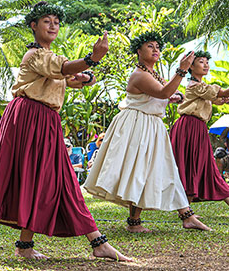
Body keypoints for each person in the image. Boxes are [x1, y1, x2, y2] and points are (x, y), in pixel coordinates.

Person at [0, 1, 131, 262]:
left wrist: (86, 74)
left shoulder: (49, 58)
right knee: (48, 178)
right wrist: (92, 59)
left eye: (56, 20)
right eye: (46, 20)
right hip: (30, 118)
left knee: (45, 178)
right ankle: (97, 242)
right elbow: (65, 69)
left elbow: (69, 76)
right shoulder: (35, 56)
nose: (53, 24)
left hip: (44, 120)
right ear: (33, 26)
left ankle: (26, 246)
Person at [84, 31, 210, 233]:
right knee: (140, 169)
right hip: (137, 124)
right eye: (150, 46)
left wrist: (174, 96)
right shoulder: (139, 75)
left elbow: (166, 93)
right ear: (138, 51)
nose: (155, 50)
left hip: (150, 124)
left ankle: (183, 215)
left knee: (157, 168)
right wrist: (181, 71)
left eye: (157, 47)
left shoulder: (151, 73)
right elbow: (163, 92)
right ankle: (176, 217)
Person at [169, 51, 229, 217]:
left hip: (197, 128)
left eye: (207, 61)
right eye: (201, 62)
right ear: (191, 66)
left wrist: (227, 97)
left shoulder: (202, 86)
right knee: (190, 166)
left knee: (204, 166)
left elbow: (220, 98)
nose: (206, 65)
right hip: (188, 128)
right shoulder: (194, 86)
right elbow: (220, 94)